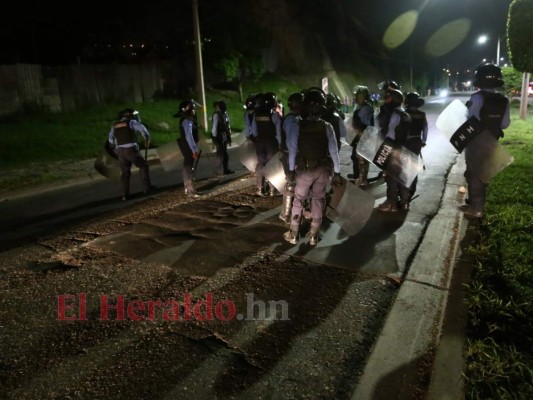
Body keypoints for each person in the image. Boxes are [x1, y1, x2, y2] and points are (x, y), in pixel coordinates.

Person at [283, 88, 342, 246]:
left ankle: (293, 234)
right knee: (318, 199)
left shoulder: (297, 126)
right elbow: (334, 151)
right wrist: (337, 172)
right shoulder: (327, 126)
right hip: (323, 170)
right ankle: (314, 235)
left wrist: (290, 170)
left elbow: (293, 149)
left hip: (305, 170)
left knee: (298, 200)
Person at [461, 63, 510, 219]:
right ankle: (475, 203)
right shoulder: (504, 100)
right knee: (484, 173)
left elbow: (470, 120)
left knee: (474, 174)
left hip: (476, 142)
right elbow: (505, 124)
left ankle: (476, 209)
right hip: (492, 143)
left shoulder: (477, 97)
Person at [376, 88, 412, 212]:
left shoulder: (394, 114)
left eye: (388, 98)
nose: (386, 100)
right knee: (401, 176)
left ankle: (391, 204)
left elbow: (384, 129)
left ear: (395, 100)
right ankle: (404, 202)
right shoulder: (404, 113)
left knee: (391, 176)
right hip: (402, 148)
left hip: (392, 147)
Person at [108, 108, 154, 201]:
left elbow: (110, 138)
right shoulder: (131, 122)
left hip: (120, 151)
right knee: (143, 166)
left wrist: (115, 149)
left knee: (125, 172)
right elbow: (143, 129)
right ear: (129, 115)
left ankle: (125, 194)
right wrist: (147, 139)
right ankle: (147, 188)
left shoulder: (115, 125)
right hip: (131, 150)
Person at [249, 92, 282, 196]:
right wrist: (280, 144)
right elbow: (279, 132)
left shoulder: (256, 114)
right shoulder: (275, 116)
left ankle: (260, 188)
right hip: (271, 142)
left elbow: (253, 131)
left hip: (259, 142)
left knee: (260, 164)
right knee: (272, 165)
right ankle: (272, 189)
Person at [279, 92, 303, 223]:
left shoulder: (293, 118)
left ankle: (290, 213)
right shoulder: (293, 120)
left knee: (294, 184)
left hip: (290, 155)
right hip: (290, 156)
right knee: (291, 184)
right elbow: (293, 146)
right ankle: (287, 214)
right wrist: (292, 167)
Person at [174, 100, 201, 198]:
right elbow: (189, 136)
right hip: (188, 146)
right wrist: (194, 150)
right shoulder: (187, 120)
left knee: (187, 166)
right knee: (188, 167)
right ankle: (190, 190)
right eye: (193, 109)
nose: (195, 112)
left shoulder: (186, 119)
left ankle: (188, 188)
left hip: (186, 146)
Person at [403, 92, 428, 199]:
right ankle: (412, 187)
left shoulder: (404, 113)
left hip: (405, 142)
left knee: (404, 165)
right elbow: (425, 129)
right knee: (413, 165)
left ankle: (405, 187)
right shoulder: (422, 115)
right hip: (417, 142)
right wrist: (423, 141)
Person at [350, 86, 375, 186]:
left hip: (363, 137)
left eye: (361, 96)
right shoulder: (362, 107)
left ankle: (361, 179)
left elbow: (365, 124)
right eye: (358, 96)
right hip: (361, 136)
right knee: (357, 158)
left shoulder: (366, 108)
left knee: (361, 159)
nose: (358, 98)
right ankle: (359, 177)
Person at [211, 100, 235, 177]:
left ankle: (225, 169)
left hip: (223, 136)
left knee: (225, 154)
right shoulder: (216, 115)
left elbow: (227, 125)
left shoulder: (224, 114)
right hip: (219, 137)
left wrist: (228, 136)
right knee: (220, 155)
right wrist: (214, 138)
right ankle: (216, 171)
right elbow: (214, 127)